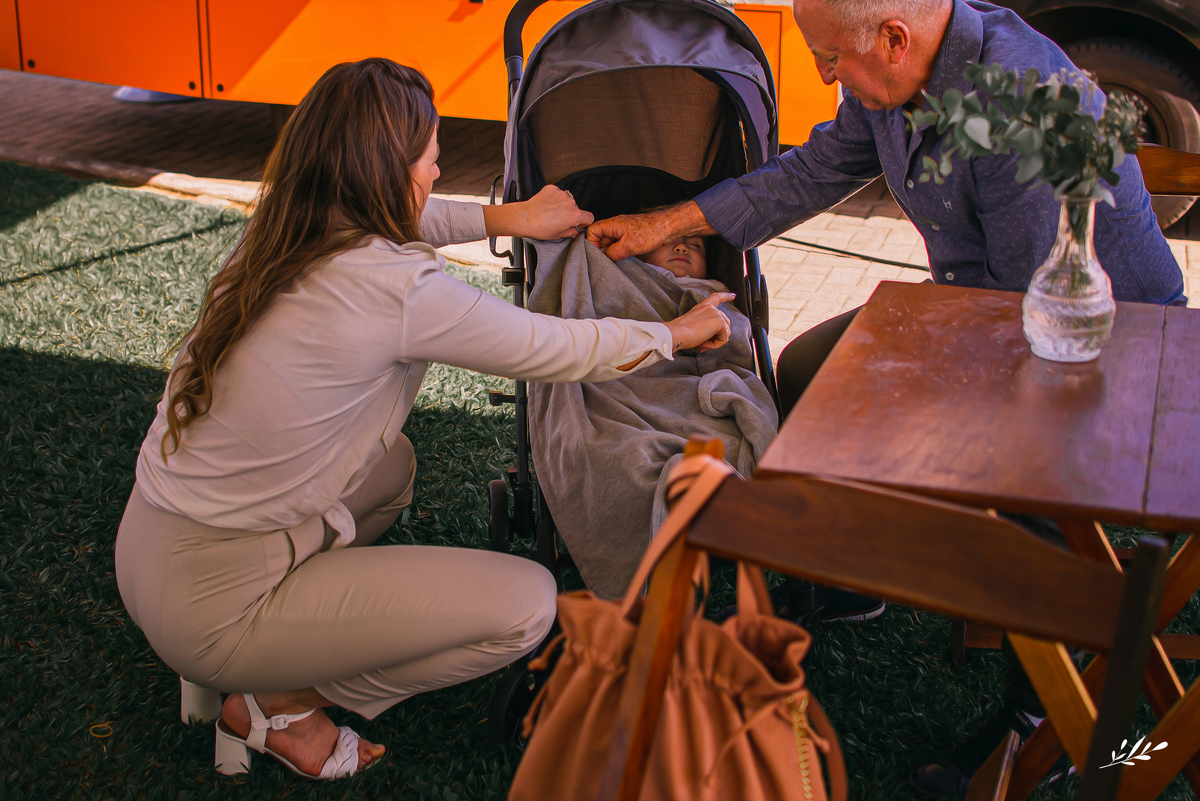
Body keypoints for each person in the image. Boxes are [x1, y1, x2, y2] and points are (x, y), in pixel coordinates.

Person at [586, 0, 1187, 797]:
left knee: (1023, 467)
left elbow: (1021, 317)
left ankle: (1040, 717)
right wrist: (670, 221)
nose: (823, 74)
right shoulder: (893, 78)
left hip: (1103, 340)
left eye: (829, 58)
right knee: (806, 365)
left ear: (895, 39)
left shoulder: (1022, 98)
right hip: (978, 309)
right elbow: (808, 173)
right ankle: (851, 577)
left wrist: (905, 384)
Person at [114, 58, 733, 782]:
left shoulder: (291, 219)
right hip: (218, 604)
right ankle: (278, 697)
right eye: (433, 160)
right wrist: (674, 335)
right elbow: (552, 348)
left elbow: (411, 217)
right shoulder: (394, 288)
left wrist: (508, 217)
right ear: (389, 173)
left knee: (393, 465)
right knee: (527, 604)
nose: (438, 174)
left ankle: (255, 653)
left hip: (152, 547)